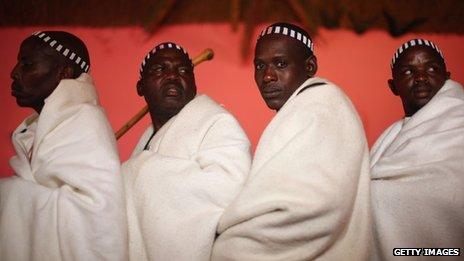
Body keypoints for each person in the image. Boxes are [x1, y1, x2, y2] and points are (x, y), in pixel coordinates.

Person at [211, 22, 372, 260]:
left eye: (280, 63)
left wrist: (233, 245)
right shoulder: (301, 110)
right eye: (260, 65)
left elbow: (314, 206)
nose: (267, 76)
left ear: (310, 66)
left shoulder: (322, 107)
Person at [0, 31, 127, 260]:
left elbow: (99, 215)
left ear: (63, 73)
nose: (14, 72)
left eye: (27, 64)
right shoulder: (45, 129)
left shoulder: (86, 122)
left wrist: (10, 195)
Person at [122, 42, 251, 261]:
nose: (173, 76)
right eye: (160, 69)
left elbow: (233, 190)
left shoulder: (217, 122)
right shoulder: (146, 142)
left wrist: (141, 172)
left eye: (183, 70)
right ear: (140, 87)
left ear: (194, 84)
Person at [370, 39, 464, 260]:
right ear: (393, 86)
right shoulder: (390, 138)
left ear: (447, 77)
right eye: (408, 71)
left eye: (431, 68)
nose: (421, 77)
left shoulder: (460, 121)